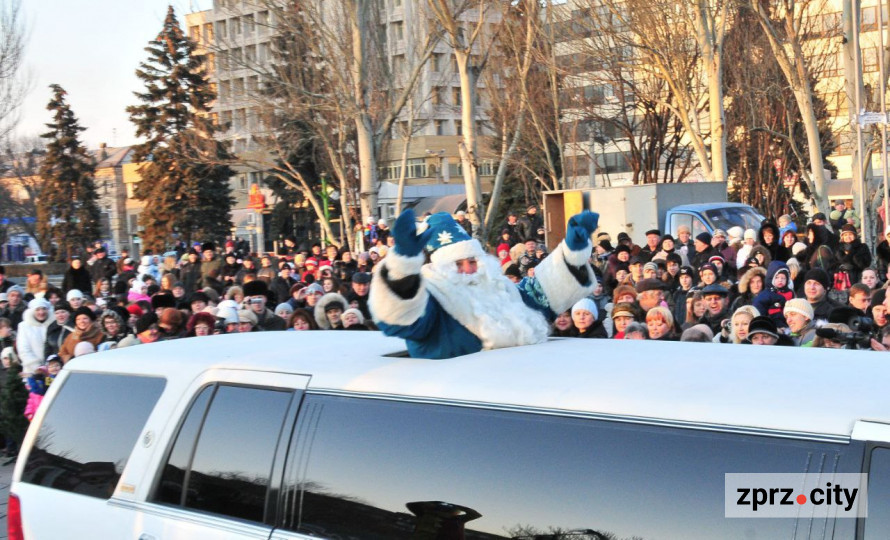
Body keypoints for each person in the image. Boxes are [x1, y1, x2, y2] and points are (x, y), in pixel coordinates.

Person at [369, 208, 600, 359]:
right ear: (440, 267)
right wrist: (402, 269)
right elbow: (400, 319)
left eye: (472, 261)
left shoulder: (497, 288)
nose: (470, 269)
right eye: (458, 264)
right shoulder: (433, 301)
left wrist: (573, 251)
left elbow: (541, 295)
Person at [16, 298, 53, 375]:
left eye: (44, 309)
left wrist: (51, 366)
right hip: (32, 371)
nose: (41, 312)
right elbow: (23, 349)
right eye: (37, 309)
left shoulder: (53, 324)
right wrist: (38, 367)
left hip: (53, 370)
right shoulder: (24, 326)